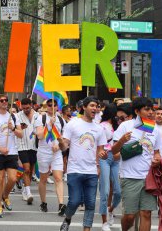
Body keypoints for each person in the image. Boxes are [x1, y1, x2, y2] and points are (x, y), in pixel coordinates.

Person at [112, 97, 162, 231]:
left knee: (146, 213)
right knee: (129, 216)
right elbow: (113, 151)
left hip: (149, 178)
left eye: (152, 109)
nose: (151, 112)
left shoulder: (154, 129)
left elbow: (156, 152)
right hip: (129, 177)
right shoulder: (126, 126)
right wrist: (122, 140)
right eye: (147, 109)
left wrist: (158, 159)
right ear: (137, 111)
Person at [58, 96, 107, 231]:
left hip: (91, 171)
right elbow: (64, 147)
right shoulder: (73, 124)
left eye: (96, 106)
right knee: (74, 201)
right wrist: (61, 142)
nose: (95, 108)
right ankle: (68, 219)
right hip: (74, 170)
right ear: (83, 107)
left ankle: (87, 229)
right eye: (92, 105)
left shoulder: (99, 128)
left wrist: (99, 162)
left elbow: (100, 150)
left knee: (90, 204)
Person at [35, 99, 66, 215]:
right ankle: (43, 203)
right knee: (43, 178)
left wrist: (58, 146)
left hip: (56, 153)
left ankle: (61, 204)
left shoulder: (62, 120)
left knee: (58, 178)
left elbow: (65, 138)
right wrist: (49, 125)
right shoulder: (41, 118)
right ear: (46, 107)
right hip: (43, 152)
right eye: (49, 105)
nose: (52, 107)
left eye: (54, 105)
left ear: (57, 107)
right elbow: (39, 136)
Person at [98, 104, 120, 231]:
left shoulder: (118, 126)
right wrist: (97, 164)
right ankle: (104, 222)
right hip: (105, 157)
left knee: (118, 191)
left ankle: (110, 210)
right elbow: (99, 145)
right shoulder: (102, 126)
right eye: (117, 113)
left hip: (117, 159)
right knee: (105, 191)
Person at [16, 98, 39, 205]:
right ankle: (29, 193)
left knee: (31, 170)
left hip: (34, 146)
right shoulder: (17, 116)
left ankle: (26, 188)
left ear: (31, 105)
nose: (25, 110)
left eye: (27, 108)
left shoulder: (38, 116)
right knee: (26, 169)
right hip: (22, 146)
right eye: (23, 108)